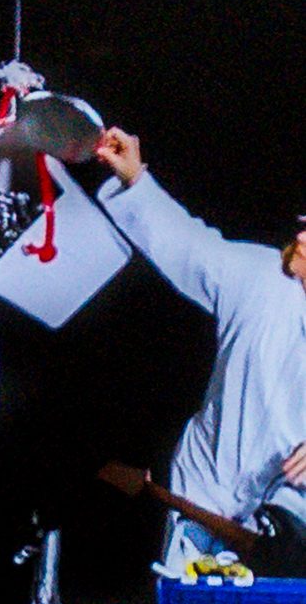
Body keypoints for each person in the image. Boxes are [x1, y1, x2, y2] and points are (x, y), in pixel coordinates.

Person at [93, 125, 306, 571]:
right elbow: (189, 247)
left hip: (284, 529)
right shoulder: (261, 277)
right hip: (201, 494)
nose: (301, 236)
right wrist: (135, 181)